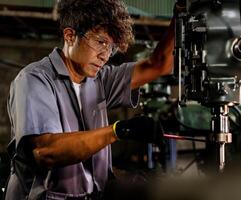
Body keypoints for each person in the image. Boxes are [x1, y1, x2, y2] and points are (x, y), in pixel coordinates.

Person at [4, 0, 175, 199]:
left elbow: (158, 65)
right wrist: (118, 130)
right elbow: (46, 150)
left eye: (111, 48)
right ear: (70, 36)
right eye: (100, 42)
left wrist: (180, 13)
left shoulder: (99, 80)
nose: (105, 55)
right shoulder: (35, 80)